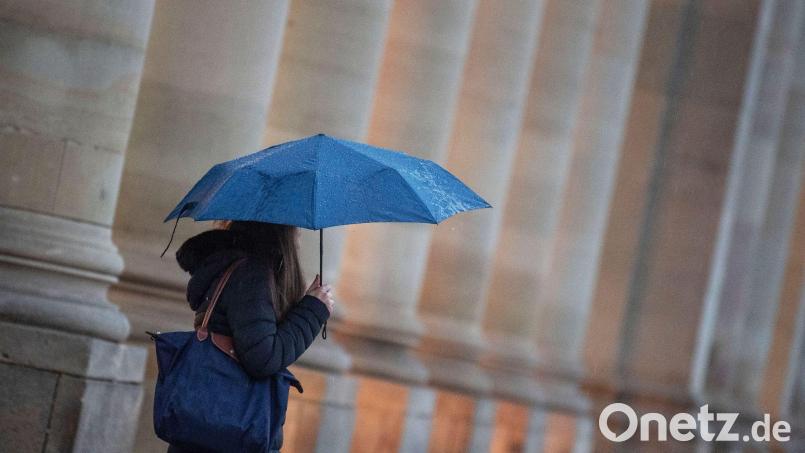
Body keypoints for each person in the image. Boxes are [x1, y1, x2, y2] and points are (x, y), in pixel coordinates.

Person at [167, 220, 334, 453]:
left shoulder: (240, 268)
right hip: (227, 434)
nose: (298, 238)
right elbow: (263, 356)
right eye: (296, 229)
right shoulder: (250, 275)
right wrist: (312, 310)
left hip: (212, 431)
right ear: (281, 231)